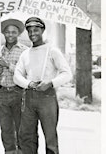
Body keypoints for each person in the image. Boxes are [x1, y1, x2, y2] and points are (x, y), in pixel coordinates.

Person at [14, 17, 72, 154]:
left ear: (43, 30)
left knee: (50, 137)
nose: (33, 33)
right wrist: (28, 83)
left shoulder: (52, 51)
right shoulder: (25, 54)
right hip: (29, 97)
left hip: (47, 97)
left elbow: (67, 74)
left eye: (36, 30)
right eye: (30, 31)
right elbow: (17, 76)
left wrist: (51, 83)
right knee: (27, 137)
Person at [0, 18, 28, 154]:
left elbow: (26, 74)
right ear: (4, 33)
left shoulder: (25, 51)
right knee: (6, 127)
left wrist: (8, 65)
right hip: (3, 93)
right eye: (7, 32)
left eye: (13, 32)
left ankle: (21, 151)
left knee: (20, 127)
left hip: (19, 92)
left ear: (18, 34)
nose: (10, 35)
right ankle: (9, 151)